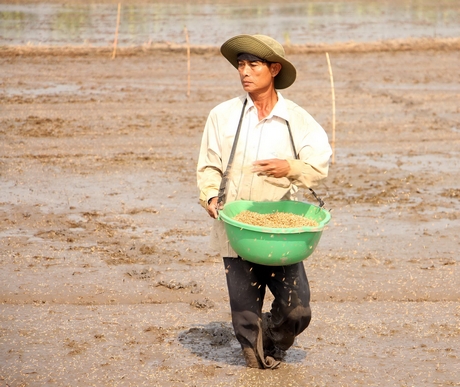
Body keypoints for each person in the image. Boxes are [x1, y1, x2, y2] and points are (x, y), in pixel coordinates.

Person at [196, 34, 332, 369]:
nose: (244, 71)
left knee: (297, 311)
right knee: (245, 321)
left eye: (253, 65)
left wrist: (291, 167)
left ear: (274, 69)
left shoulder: (296, 119)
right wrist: (211, 195)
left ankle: (276, 338)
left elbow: (318, 166)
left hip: (279, 230)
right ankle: (255, 363)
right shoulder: (223, 115)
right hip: (237, 227)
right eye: (241, 64)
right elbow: (209, 165)